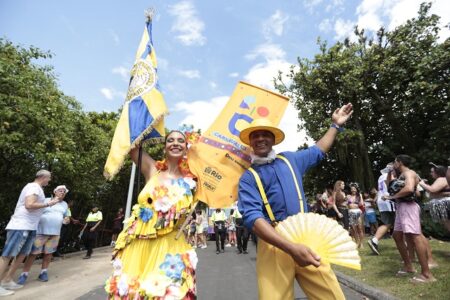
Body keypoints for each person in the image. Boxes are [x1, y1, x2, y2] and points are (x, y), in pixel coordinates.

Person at [238, 103, 353, 300]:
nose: (260, 138)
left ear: (273, 139)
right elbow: (253, 218)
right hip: (273, 244)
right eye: (255, 135)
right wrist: (290, 248)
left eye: (265, 134)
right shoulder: (248, 178)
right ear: (250, 141)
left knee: (332, 296)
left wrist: (335, 126)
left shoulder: (290, 159)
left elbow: (318, 150)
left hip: (307, 238)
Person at [106, 130, 198, 299]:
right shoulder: (152, 169)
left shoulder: (194, 179)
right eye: (170, 140)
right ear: (165, 147)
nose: (175, 143)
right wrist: (142, 109)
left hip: (171, 249)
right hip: (138, 247)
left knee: (169, 294)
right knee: (133, 292)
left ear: (187, 147)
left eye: (181, 140)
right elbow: (131, 143)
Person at [0, 170, 54, 296]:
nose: (49, 180)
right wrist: (48, 203)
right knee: (7, 255)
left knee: (23, 254)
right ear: (43, 177)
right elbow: (29, 204)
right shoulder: (33, 187)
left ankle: (7, 280)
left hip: (30, 227)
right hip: (20, 225)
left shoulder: (38, 189)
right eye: (49, 178)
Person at [386, 155, 435, 283]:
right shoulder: (402, 175)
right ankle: (408, 266)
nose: (393, 164)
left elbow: (408, 189)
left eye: (395, 162)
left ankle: (426, 274)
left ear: (399, 162)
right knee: (397, 235)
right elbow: (390, 186)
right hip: (401, 207)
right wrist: (389, 173)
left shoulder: (409, 173)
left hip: (409, 208)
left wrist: (392, 197)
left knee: (416, 237)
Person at [17, 185, 70, 285]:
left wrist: (66, 219)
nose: (62, 192)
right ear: (55, 191)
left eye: (64, 191)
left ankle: (43, 272)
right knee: (33, 253)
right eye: (60, 190)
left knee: (49, 253)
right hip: (41, 232)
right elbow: (34, 211)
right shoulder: (45, 200)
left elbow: (66, 216)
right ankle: (24, 274)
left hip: (55, 233)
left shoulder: (65, 204)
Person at [419, 163, 450, 232]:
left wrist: (422, 184)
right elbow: (433, 192)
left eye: (432, 172)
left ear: (438, 172)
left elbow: (432, 190)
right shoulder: (444, 180)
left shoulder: (441, 179)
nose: (431, 173)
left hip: (445, 204)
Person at [347, 183, 364, 248]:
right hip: (351, 212)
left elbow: (361, 204)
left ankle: (361, 243)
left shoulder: (359, 196)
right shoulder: (348, 196)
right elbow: (345, 203)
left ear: (356, 190)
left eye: (354, 189)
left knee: (360, 228)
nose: (353, 190)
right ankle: (357, 242)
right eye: (352, 189)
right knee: (354, 229)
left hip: (358, 211)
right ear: (350, 190)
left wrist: (361, 196)